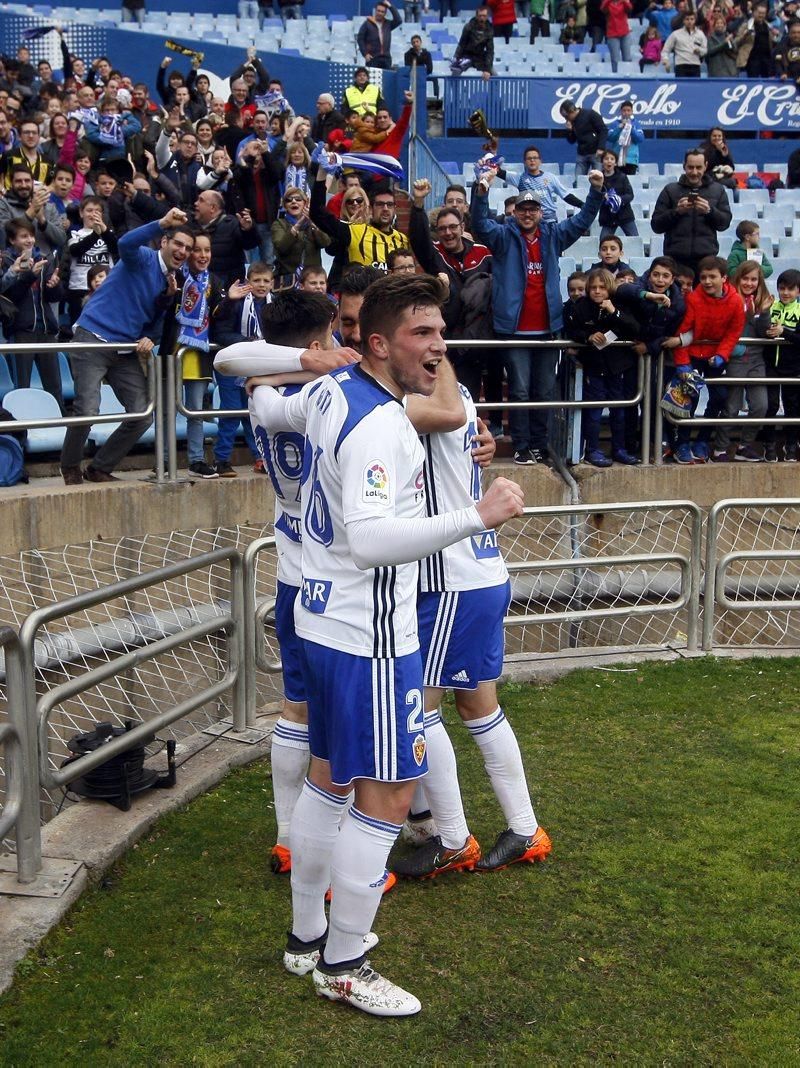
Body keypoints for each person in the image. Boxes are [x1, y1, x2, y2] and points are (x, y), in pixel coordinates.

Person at [248, 274, 525, 1017]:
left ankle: (306, 937)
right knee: (391, 792)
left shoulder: (331, 390)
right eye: (421, 335)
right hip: (370, 636)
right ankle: (344, 961)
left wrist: (295, 360)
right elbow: (372, 541)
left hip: (322, 615)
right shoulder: (378, 422)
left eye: (440, 332)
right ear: (377, 343)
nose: (437, 348)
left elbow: (232, 365)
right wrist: (478, 515)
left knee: (330, 775)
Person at [473, 168, 605, 465]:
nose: (528, 214)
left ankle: (540, 445)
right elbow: (479, 224)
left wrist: (596, 192)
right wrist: (480, 193)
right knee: (519, 391)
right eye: (523, 209)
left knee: (543, 392)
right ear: (516, 212)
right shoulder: (503, 236)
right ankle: (521, 445)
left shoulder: (554, 235)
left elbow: (582, 220)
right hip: (514, 330)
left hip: (547, 329)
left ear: (541, 212)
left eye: (533, 209)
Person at [59, 208, 193, 485]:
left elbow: (154, 324)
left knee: (143, 412)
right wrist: (161, 223)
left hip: (125, 348)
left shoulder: (172, 281)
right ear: (164, 242)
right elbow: (125, 243)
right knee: (87, 410)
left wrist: (155, 326)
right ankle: (70, 466)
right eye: (178, 243)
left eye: (188, 248)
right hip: (93, 337)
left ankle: (99, 467)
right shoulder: (142, 257)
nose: (183, 251)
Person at [409, 178, 498, 418]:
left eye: (452, 227)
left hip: (480, 335)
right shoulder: (435, 253)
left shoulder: (483, 253)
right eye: (442, 228)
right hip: (447, 336)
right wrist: (418, 204)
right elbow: (418, 240)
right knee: (449, 392)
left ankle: (486, 428)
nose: (448, 232)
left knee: (480, 388)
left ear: (462, 227)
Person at [662, 255, 746, 465]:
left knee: (720, 396)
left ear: (724, 278)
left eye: (712, 277)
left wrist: (722, 355)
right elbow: (683, 333)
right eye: (704, 277)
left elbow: (733, 332)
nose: (708, 281)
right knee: (689, 400)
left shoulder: (736, 301)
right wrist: (682, 363)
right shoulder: (693, 299)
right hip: (692, 356)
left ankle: (702, 440)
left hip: (715, 357)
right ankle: (681, 443)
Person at [566, 267, 641, 466]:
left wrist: (613, 312)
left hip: (618, 367)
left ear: (610, 288)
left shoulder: (620, 305)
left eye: (602, 287)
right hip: (594, 366)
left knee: (619, 411)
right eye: (593, 287)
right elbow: (572, 330)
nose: (597, 291)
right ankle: (593, 449)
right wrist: (587, 336)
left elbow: (633, 328)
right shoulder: (580, 306)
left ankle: (619, 448)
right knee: (594, 411)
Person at [210, 261, 274, 476]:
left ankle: (260, 458)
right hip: (231, 366)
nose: (262, 285)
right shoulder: (236, 303)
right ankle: (222, 460)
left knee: (253, 414)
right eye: (257, 280)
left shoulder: (274, 306)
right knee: (231, 412)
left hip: (258, 366)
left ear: (272, 283)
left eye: (266, 280)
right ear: (248, 281)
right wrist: (246, 341)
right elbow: (219, 332)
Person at [0, 218, 65, 411]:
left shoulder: (44, 258)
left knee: (54, 385)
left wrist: (55, 284)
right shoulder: (6, 262)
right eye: (23, 236)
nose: (29, 240)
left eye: (31, 235)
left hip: (46, 328)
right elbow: (11, 297)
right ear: (12, 240)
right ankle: (22, 430)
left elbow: (54, 297)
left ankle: (61, 426)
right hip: (22, 329)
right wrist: (29, 276)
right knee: (23, 385)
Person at [711, 261, 769, 463]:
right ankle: (720, 449)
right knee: (732, 406)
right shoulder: (730, 299)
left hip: (757, 360)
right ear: (738, 278)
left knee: (761, 405)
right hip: (736, 358)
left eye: (754, 279)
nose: (749, 283)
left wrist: (762, 313)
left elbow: (764, 333)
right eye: (745, 278)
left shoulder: (763, 301)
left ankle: (744, 446)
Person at [651, 149, 732, 279]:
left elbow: (724, 223)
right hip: (675, 260)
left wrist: (709, 211)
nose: (694, 172)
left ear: (706, 166)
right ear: (684, 166)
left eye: (699, 167)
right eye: (690, 167)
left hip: (706, 261)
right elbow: (656, 225)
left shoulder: (718, 190)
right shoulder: (670, 190)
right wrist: (676, 212)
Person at [310, 172, 409, 272]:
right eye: (380, 204)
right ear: (370, 209)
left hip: (393, 287)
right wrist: (322, 172)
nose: (385, 208)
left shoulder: (402, 239)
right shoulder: (354, 231)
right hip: (361, 286)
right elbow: (318, 214)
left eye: (390, 204)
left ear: (395, 209)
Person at [761, 268, 800, 462]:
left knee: (793, 407)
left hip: (794, 368)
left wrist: (784, 332)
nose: (785, 293)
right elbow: (761, 329)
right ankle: (768, 444)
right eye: (782, 288)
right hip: (771, 366)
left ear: (798, 291)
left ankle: (791, 444)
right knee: (771, 405)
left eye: (790, 289)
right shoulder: (771, 305)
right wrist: (765, 315)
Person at [498, 144, 584, 223]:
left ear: (540, 161)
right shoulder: (520, 178)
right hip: (530, 219)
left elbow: (566, 195)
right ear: (524, 162)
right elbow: (499, 172)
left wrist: (582, 205)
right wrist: (491, 160)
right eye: (529, 158)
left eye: (535, 158)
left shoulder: (550, 177)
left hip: (549, 219)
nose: (532, 160)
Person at [271, 186, 331, 288]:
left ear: (305, 203)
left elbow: (325, 242)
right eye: (289, 200)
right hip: (288, 280)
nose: (294, 202)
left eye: (298, 199)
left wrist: (313, 224)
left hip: (312, 280)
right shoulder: (279, 224)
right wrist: (297, 226)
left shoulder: (314, 223)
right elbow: (281, 247)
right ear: (285, 206)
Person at [559, 99, 607, 176]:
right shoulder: (571, 122)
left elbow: (603, 130)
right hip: (581, 153)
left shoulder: (590, 114)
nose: (566, 119)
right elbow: (571, 141)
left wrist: (601, 147)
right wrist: (569, 131)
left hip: (595, 152)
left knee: (597, 178)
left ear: (572, 111)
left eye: (566, 116)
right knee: (578, 179)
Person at [597, 149, 638, 238]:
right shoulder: (599, 178)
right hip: (608, 217)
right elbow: (596, 196)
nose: (609, 161)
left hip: (625, 215)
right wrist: (605, 199)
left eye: (612, 159)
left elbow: (630, 195)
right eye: (606, 158)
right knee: (603, 241)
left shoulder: (622, 177)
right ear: (602, 162)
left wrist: (618, 200)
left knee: (635, 239)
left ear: (615, 163)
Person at [452, 5, 495, 78]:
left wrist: (487, 70)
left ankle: (495, 89)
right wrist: (456, 57)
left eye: (484, 16)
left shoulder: (489, 29)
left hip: (480, 57)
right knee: (455, 71)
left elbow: (490, 51)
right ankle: (452, 89)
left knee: (494, 74)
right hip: (467, 55)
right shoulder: (468, 27)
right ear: (476, 16)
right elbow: (462, 44)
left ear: (487, 16)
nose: (482, 18)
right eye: (480, 16)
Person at [357, 1, 403, 69]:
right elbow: (360, 39)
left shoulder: (388, 24)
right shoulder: (367, 23)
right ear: (375, 11)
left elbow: (399, 20)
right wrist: (365, 54)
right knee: (372, 79)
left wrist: (390, 6)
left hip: (386, 59)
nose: (380, 13)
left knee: (386, 79)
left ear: (385, 13)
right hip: (372, 58)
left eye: (382, 12)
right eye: (378, 11)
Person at [662, 10, 707, 75]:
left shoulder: (700, 34)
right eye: (687, 19)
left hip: (695, 65)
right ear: (683, 21)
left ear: (695, 20)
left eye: (692, 19)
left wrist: (699, 51)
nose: (689, 21)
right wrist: (666, 60)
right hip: (680, 66)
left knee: (695, 85)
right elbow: (666, 50)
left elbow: (705, 50)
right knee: (680, 85)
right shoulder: (676, 34)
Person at [605, 101, 645, 175]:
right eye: (624, 110)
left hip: (631, 160)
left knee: (629, 183)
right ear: (621, 112)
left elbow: (640, 139)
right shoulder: (615, 124)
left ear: (632, 112)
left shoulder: (636, 124)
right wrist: (619, 128)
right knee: (617, 183)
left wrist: (631, 128)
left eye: (628, 110)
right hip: (616, 159)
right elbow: (610, 138)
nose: (626, 112)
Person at [601, 0, 633, 67]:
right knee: (615, 60)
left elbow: (630, 8)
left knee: (627, 58)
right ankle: (616, 76)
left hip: (625, 32)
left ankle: (627, 75)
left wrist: (624, 1)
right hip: (612, 34)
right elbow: (603, 9)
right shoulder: (607, 3)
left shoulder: (623, 2)